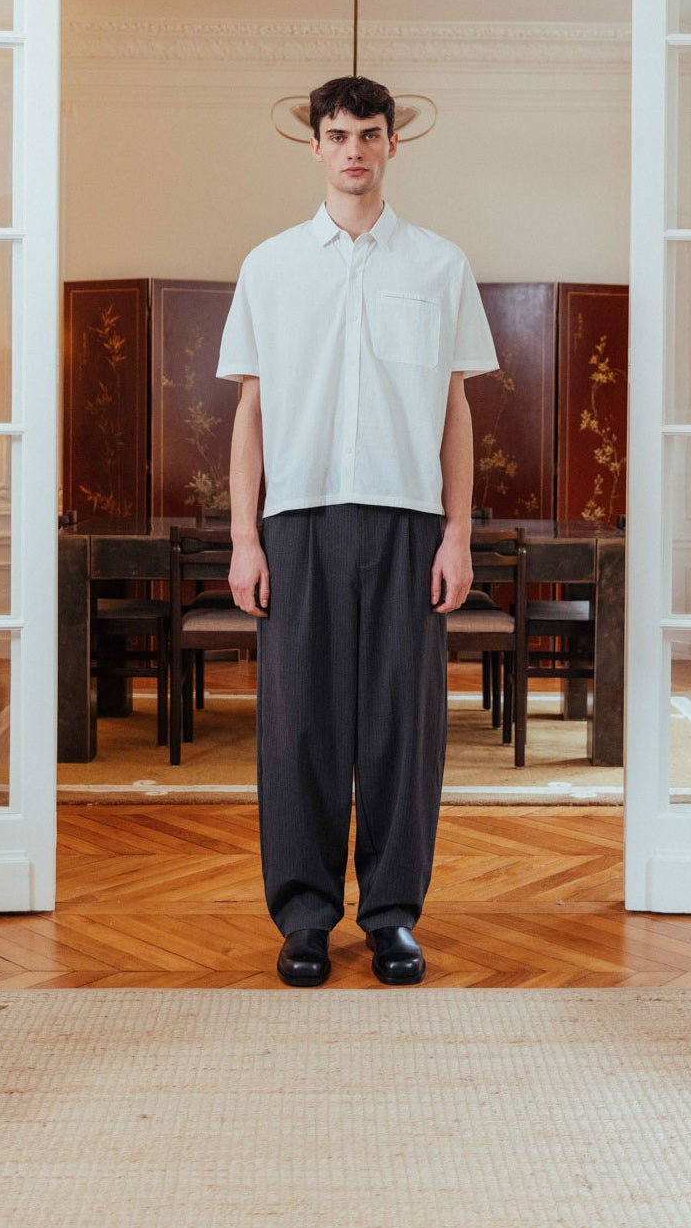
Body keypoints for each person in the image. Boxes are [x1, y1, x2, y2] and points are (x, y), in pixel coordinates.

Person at [215, 74, 499, 987]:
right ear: (314, 145)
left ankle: (391, 916)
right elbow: (251, 413)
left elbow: (454, 410)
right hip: (296, 525)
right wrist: (244, 538)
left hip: (408, 526)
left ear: (391, 144)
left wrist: (457, 533)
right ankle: (303, 917)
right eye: (337, 134)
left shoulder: (439, 265)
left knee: (399, 731)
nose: (353, 149)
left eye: (369, 133)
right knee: (297, 728)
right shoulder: (268, 267)